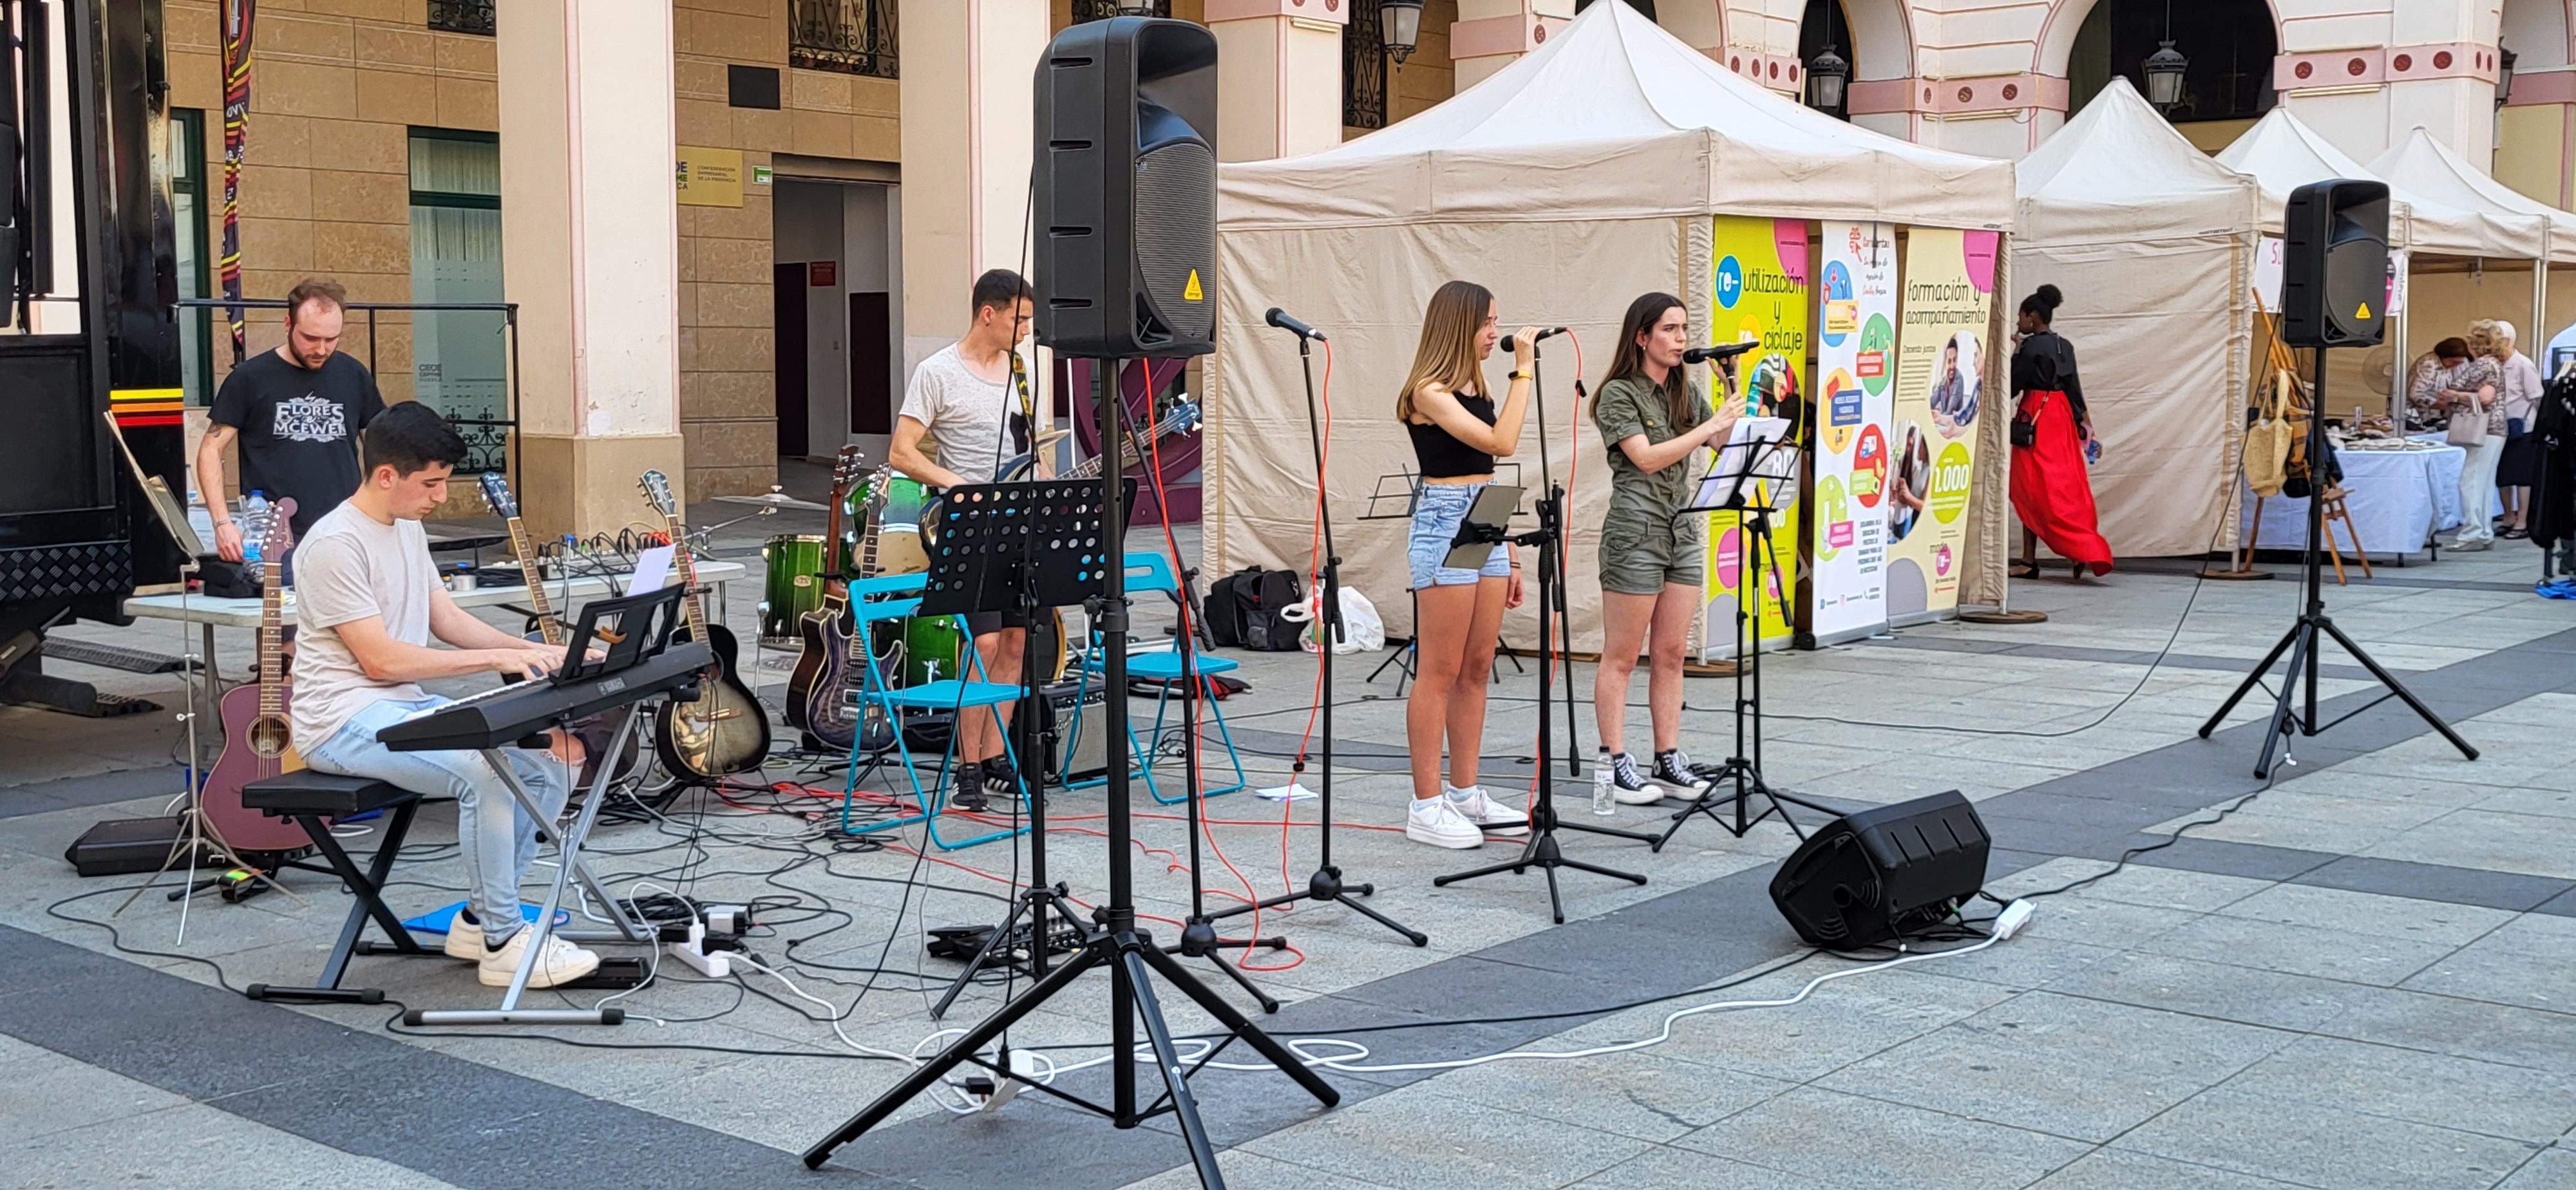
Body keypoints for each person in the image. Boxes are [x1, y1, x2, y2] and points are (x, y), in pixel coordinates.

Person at [290, 403, 598, 988]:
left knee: (552, 759)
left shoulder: (405, 526)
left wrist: (537, 652)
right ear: (387, 476)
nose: (439, 497)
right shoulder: (334, 544)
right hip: (339, 721)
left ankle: (480, 919)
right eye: (430, 484)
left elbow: (446, 618)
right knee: (483, 774)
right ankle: (505, 939)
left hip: (398, 705)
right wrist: (496, 659)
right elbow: (378, 660)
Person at [888, 269, 1045, 813]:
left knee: (1019, 644)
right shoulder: (938, 372)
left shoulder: (1021, 371)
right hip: (969, 524)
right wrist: (959, 485)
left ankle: (998, 754)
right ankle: (967, 765)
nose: (1026, 330)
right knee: (982, 643)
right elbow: (902, 452)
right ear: (988, 314)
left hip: (1018, 521)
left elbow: (1030, 448)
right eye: (1019, 319)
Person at [1396, 280, 1533, 849]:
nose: (1495, 334)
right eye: (1487, 324)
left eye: (1497, 322)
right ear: (1460, 326)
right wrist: (1523, 371)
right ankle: (1425, 804)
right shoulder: (1428, 391)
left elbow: (1489, 466)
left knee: (1478, 665)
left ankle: (1465, 792)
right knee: (1441, 668)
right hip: (1443, 518)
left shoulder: (1473, 383)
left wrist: (1512, 552)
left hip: (1485, 515)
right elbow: (1502, 442)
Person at [1589, 293, 1739, 804]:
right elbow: (1647, 458)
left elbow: (1724, 447)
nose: (1680, 340)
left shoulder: (1685, 391)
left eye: (1683, 329)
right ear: (1642, 337)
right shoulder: (1618, 394)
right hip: (1636, 531)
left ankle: (1668, 757)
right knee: (1623, 656)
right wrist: (1707, 428)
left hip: (1682, 529)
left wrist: (1729, 393)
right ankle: (1612, 762)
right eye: (1670, 330)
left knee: (1672, 652)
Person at [197, 278, 388, 556]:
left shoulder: (353, 374)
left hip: (346, 527)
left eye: (331, 339)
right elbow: (210, 449)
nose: (321, 349)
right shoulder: (250, 378)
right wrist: (222, 523)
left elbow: (382, 447)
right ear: (288, 324)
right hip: (274, 532)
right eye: (310, 338)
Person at [2008, 285, 2110, 578]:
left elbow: (2013, 384)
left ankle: (2029, 561)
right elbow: (2075, 390)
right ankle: (2081, 550)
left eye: (2022, 316)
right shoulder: (2066, 346)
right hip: (2062, 419)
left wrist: (2016, 351)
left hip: (2036, 416)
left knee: (2030, 488)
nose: (2019, 322)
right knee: (2065, 486)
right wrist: (2088, 429)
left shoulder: (2030, 347)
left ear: (2034, 317)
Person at [2445, 325, 2508, 552]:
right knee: (2483, 482)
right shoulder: (2496, 364)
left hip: (2484, 428)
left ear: (2477, 344)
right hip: (2496, 428)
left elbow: (2485, 397)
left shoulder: (2484, 364)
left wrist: (2455, 395)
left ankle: (2472, 532)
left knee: (2469, 481)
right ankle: (2483, 531)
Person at [2490, 320, 2545, 540]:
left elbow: (2537, 396)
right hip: (2499, 427)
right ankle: (2508, 517)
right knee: (2502, 476)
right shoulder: (2492, 364)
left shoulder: (2523, 364)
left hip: (2524, 427)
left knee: (2522, 476)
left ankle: (2523, 520)